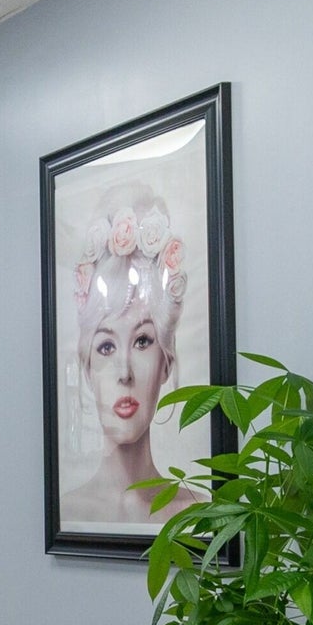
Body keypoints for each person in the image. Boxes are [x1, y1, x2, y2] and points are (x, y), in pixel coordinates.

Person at [54, 178, 199, 529]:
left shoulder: (199, 514)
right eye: (106, 346)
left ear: (167, 362)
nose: (124, 372)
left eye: (142, 341)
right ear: (87, 368)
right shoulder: (64, 513)